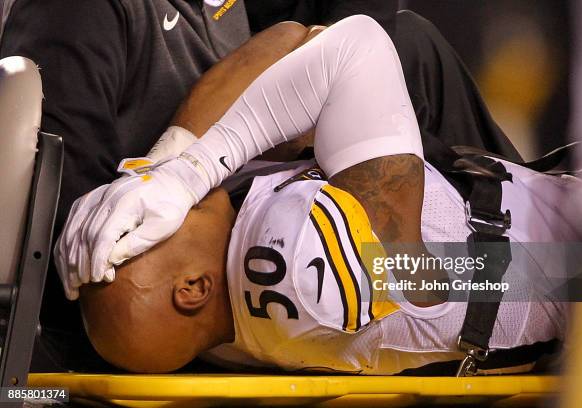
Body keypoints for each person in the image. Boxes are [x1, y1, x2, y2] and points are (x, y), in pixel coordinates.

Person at [66, 15, 576, 374]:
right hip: (578, 264)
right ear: (192, 288)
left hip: (526, 249)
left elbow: (290, 41)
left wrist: (158, 167)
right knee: (410, 41)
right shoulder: (311, 269)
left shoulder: (223, 315)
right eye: (139, 229)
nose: (151, 209)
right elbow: (357, 46)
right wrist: (189, 174)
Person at [1, 0, 395, 371]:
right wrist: (181, 172)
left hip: (264, 276)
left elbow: (301, 41)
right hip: (156, 305)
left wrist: (176, 168)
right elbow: (352, 43)